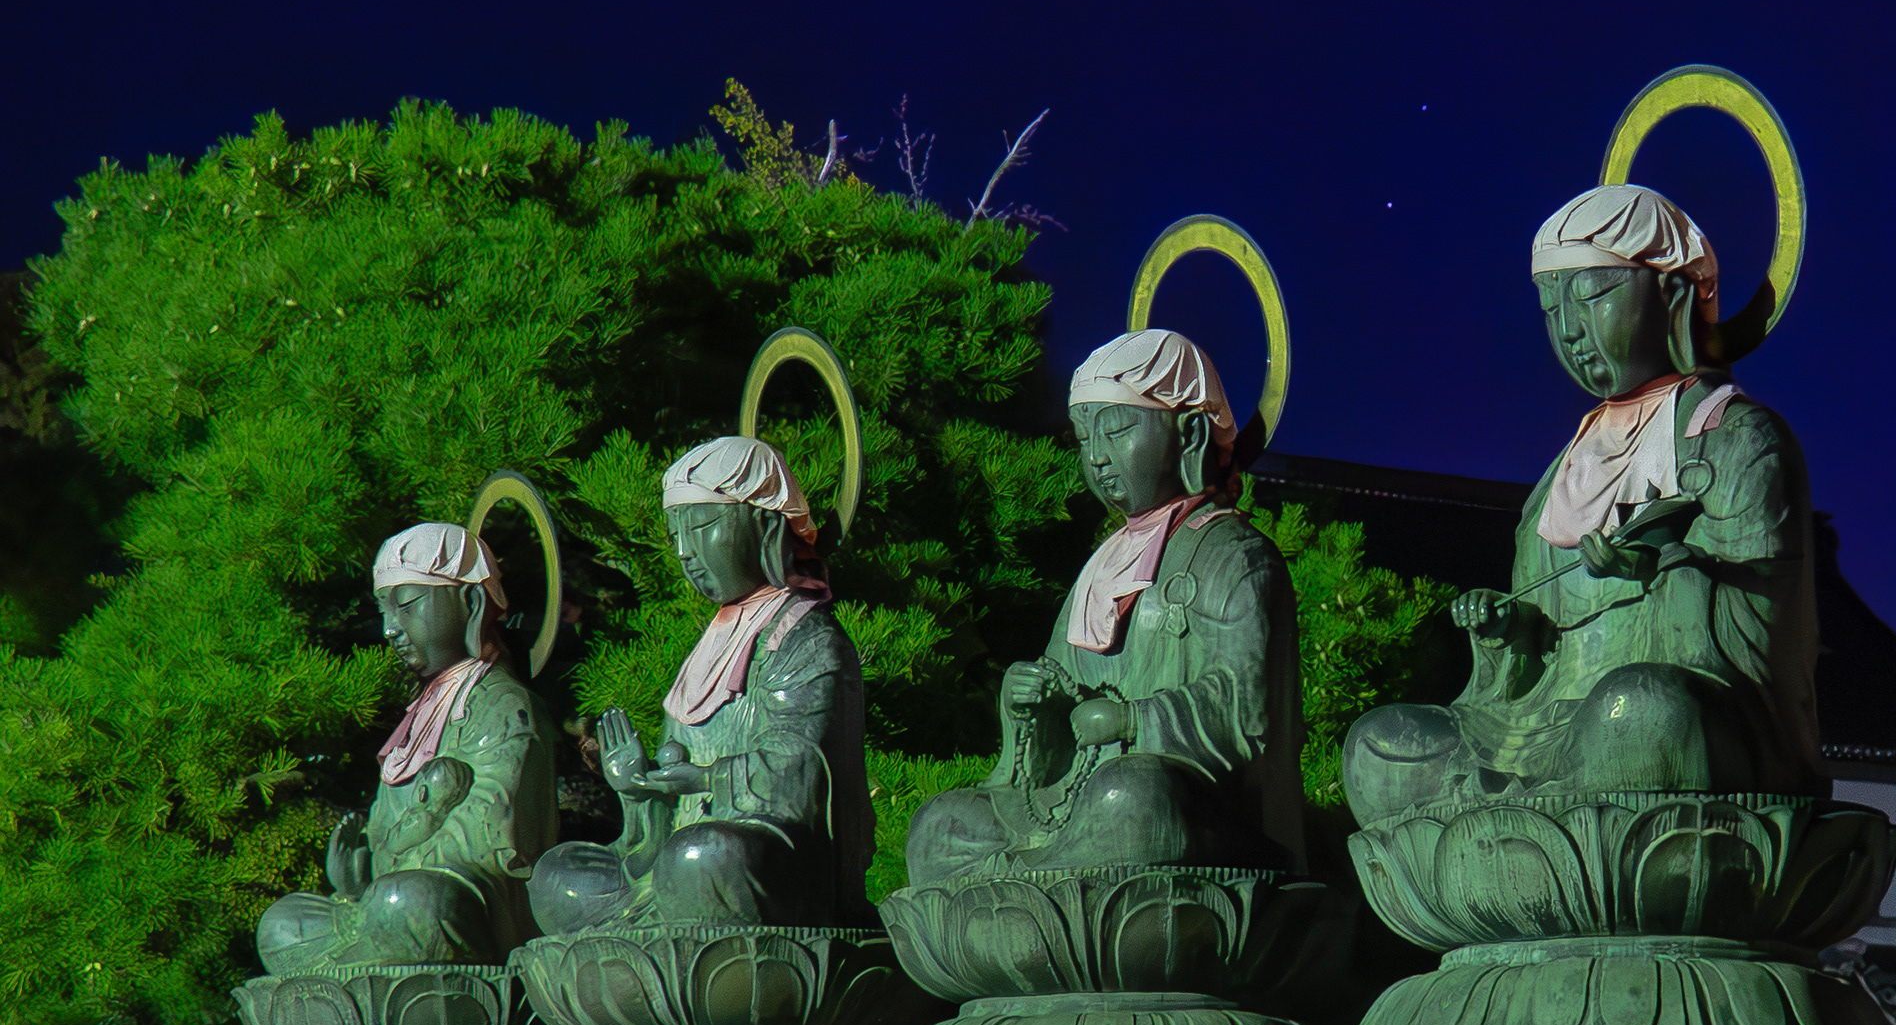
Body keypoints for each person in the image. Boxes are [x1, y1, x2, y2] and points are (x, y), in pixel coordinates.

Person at [1342, 186, 1818, 821]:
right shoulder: (1560, 472)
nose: (1570, 328)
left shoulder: (1738, 438)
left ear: (1671, 295)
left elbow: (1766, 616)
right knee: (1382, 746)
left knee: (1643, 710)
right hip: (1540, 727)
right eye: (1550, 307)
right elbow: (1538, 649)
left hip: (1662, 721)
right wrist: (1506, 633)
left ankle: (1546, 818)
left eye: (1593, 297)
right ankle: (1539, 814)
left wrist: (1662, 570)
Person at [902, 329, 1301, 884]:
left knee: (1132, 797)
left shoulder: (1235, 555)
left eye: (1116, 431)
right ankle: (1047, 878)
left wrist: (1135, 720)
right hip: (1072, 807)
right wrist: (1030, 705)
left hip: (1198, 815)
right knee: (940, 826)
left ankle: (1032, 884)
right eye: (1085, 439)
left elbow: (1245, 708)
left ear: (1187, 435)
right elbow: (1058, 702)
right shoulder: (1101, 569)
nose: (1097, 458)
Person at [531, 436, 871, 931]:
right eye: (676, 538)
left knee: (703, 856)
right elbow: (667, 807)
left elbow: (796, 778)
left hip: (767, 862)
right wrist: (639, 790)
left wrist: (707, 780)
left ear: (763, 523)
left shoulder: (804, 639)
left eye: (703, 527)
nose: (687, 554)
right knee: (555, 876)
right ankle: (663, 922)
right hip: (679, 860)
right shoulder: (708, 649)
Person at [256, 522, 554, 973]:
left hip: (466, 908)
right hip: (391, 903)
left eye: (406, 607)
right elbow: (386, 832)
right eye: (384, 612)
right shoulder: (417, 721)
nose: (389, 630)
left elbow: (496, 838)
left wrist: (400, 857)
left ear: (470, 603)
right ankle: (371, 948)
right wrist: (358, 880)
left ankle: (366, 961)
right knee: (282, 924)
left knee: (411, 900)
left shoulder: (504, 706)